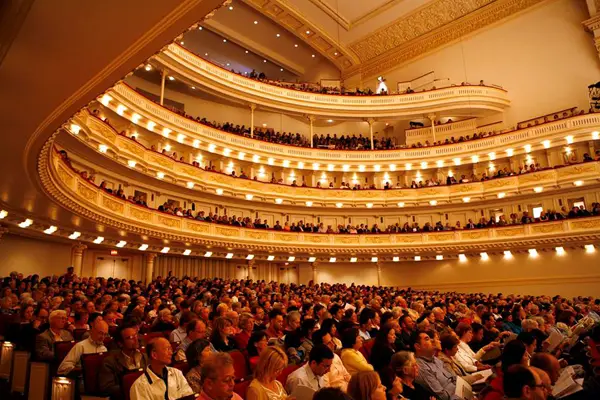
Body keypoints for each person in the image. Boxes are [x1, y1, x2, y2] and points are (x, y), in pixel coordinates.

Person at [99, 322, 147, 400]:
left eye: (135, 335)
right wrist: (132, 385)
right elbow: (106, 388)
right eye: (130, 337)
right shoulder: (110, 362)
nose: (136, 339)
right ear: (120, 344)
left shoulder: (145, 357)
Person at [413, 331, 459, 400]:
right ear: (417, 346)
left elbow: (453, 378)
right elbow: (443, 396)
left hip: (458, 391)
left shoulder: (434, 358)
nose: (432, 340)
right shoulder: (421, 367)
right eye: (427, 339)